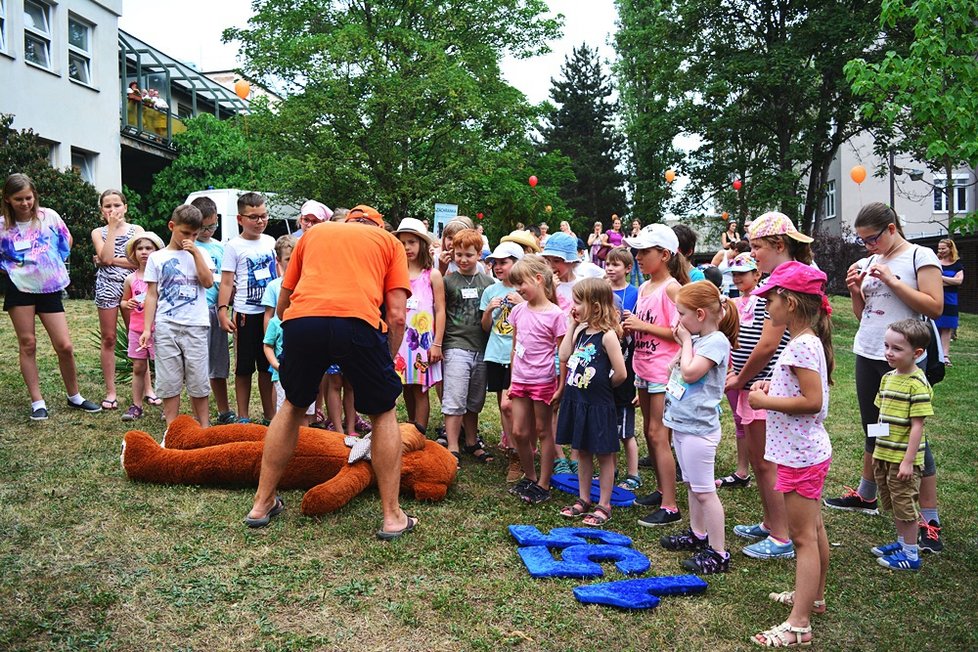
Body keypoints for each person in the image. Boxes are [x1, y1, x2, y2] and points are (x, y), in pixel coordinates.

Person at [244, 205, 414, 538]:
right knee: (383, 412)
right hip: (360, 324)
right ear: (379, 225)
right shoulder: (387, 242)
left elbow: (284, 302)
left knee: (293, 405)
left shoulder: (315, 233)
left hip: (305, 321)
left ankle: (261, 503)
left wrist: (295, 330)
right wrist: (387, 357)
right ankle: (393, 517)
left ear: (347, 221)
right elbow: (396, 316)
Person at [824, 203, 944, 554]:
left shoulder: (920, 256)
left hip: (905, 360)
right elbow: (865, 315)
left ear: (892, 228)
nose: (867, 246)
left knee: (910, 435)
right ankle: (867, 494)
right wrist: (858, 293)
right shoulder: (868, 261)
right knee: (874, 426)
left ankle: (929, 520)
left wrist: (892, 280)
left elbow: (933, 306)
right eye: (862, 241)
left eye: (872, 238)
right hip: (870, 350)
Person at [747, 261, 833, 648]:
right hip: (804, 452)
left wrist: (765, 399)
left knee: (802, 538)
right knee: (813, 530)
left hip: (801, 455)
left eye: (771, 298)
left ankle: (799, 624)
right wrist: (775, 385)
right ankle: (812, 598)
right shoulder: (806, 341)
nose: (767, 305)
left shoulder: (800, 344)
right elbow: (801, 390)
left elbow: (812, 401)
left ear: (791, 302)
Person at [727, 212, 807, 561]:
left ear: (778, 245)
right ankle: (771, 521)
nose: (753, 253)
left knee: (766, 462)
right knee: (761, 461)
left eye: (757, 247)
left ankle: (780, 536)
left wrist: (741, 379)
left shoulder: (784, 282)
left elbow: (767, 345)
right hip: (758, 384)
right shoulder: (779, 277)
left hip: (767, 386)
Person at [0, 173, 101, 419]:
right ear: (8, 200)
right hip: (19, 288)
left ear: (35, 196)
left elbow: (67, 241)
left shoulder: (49, 216)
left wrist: (50, 262)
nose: (25, 203)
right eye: (19, 199)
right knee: (28, 344)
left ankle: (74, 396)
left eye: (28, 198)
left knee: (64, 346)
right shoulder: (2, 225)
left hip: (49, 287)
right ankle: (37, 402)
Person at [659, 281, 739, 574]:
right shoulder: (699, 340)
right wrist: (684, 346)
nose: (679, 320)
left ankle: (718, 552)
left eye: (682, 314)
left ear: (701, 314)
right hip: (682, 424)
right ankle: (697, 534)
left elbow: (691, 373)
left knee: (705, 490)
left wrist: (685, 343)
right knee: (692, 485)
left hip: (699, 429)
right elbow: (674, 369)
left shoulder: (716, 341)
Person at [622, 224, 688, 527]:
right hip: (643, 369)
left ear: (664, 254)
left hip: (663, 372)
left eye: (644, 251)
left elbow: (681, 333)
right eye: (637, 251)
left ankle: (671, 505)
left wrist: (642, 326)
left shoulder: (672, 288)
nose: (638, 256)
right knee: (650, 432)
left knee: (660, 435)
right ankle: (662, 489)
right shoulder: (646, 286)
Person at [556, 278, 627, 525]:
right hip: (577, 401)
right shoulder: (579, 331)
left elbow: (621, 373)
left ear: (595, 306)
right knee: (582, 452)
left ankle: (604, 504)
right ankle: (583, 498)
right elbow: (564, 356)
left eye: (578, 301)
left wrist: (604, 386)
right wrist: (570, 325)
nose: (573, 306)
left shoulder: (608, 336)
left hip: (598, 404)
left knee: (605, 455)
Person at [139, 204, 215, 426]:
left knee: (198, 377)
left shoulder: (202, 254)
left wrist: (196, 253)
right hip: (166, 325)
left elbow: (208, 282)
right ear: (172, 227)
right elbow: (152, 295)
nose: (189, 238)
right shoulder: (157, 257)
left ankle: (204, 425)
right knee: (169, 378)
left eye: (194, 234)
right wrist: (146, 328)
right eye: (185, 233)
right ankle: (172, 426)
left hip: (196, 325)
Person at [869, 319, 934, 571]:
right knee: (895, 501)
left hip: (902, 460)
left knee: (905, 505)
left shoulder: (917, 384)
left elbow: (918, 426)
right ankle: (901, 542)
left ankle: (911, 554)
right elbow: (882, 415)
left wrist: (908, 461)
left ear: (916, 353)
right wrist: (878, 447)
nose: (888, 352)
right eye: (886, 346)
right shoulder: (887, 378)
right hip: (885, 454)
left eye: (896, 349)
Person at [507, 255, 567, 504]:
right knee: (520, 431)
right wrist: (512, 379)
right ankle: (530, 476)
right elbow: (514, 346)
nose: (519, 289)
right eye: (516, 284)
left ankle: (544, 482)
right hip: (521, 380)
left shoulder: (555, 314)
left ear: (539, 279)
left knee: (543, 431)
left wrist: (561, 385)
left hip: (543, 381)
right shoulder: (519, 311)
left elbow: (563, 354)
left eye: (522, 283)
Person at [217, 192, 278, 424]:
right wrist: (223, 311)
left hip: (269, 314)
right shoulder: (233, 246)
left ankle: (269, 413)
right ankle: (243, 415)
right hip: (245, 313)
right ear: (240, 219)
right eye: (253, 217)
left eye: (263, 216)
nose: (260, 221)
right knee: (244, 368)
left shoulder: (271, 242)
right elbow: (226, 281)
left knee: (266, 365)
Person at [440, 228, 495, 465]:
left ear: (479, 255)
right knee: (455, 398)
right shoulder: (447, 281)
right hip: (456, 345)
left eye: (468, 255)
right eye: (458, 254)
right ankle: (453, 445)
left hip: (481, 348)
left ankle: (472, 441)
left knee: (475, 400)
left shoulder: (488, 283)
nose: (463, 259)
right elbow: (439, 312)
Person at [91, 189, 146, 411]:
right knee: (109, 338)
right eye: (108, 206)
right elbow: (104, 257)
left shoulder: (137, 230)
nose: (113, 210)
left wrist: (110, 259)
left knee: (140, 336)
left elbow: (138, 261)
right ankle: (111, 392)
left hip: (134, 287)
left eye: (117, 205)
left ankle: (148, 389)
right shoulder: (98, 232)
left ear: (125, 207)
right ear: (102, 210)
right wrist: (111, 231)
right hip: (107, 288)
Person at [393, 217, 444, 431]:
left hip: (422, 342)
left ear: (422, 244)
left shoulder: (432, 275)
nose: (407, 247)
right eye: (403, 243)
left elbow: (440, 310)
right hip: (399, 340)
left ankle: (419, 433)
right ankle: (410, 428)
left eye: (412, 242)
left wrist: (437, 343)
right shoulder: (394, 275)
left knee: (420, 388)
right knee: (405, 385)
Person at [480, 241, 525, 482]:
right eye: (495, 263)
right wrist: (488, 311)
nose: (498, 267)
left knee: (514, 406)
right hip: (496, 353)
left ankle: (520, 452)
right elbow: (485, 328)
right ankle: (511, 449)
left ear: (517, 264)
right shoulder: (491, 290)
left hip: (520, 356)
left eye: (503, 262)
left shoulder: (525, 290)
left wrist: (522, 303)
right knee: (503, 405)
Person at [715, 252, 760, 489]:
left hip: (756, 375)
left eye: (743, 273)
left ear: (757, 274)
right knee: (739, 419)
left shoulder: (764, 302)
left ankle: (761, 468)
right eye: (734, 274)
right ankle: (743, 470)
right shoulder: (732, 304)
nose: (737, 278)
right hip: (732, 371)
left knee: (756, 422)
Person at [191, 196, 236, 424]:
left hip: (215, 309)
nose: (208, 231)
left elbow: (226, 281)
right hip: (194, 311)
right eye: (203, 227)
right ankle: (199, 412)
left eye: (213, 226)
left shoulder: (221, 247)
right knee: (196, 363)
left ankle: (223, 409)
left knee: (219, 363)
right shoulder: (188, 247)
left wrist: (225, 306)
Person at [261, 235, 307, 423]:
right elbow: (269, 315)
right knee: (279, 384)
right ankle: (276, 419)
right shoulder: (274, 286)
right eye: (289, 258)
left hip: (302, 345)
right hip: (280, 347)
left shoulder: (307, 283)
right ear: (278, 261)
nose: (293, 262)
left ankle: (309, 419)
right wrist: (269, 339)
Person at [119, 232, 164, 421]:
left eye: (148, 248)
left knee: (163, 367)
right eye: (140, 248)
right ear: (134, 252)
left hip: (159, 329)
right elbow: (123, 301)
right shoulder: (131, 279)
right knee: (138, 366)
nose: (144, 252)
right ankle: (136, 405)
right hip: (137, 329)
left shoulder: (162, 276)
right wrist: (126, 304)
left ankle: (168, 406)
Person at [935, 238, 963, 365]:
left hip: (951, 300)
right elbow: (932, 280)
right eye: (939, 248)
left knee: (946, 328)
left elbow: (959, 281)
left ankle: (945, 356)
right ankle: (935, 354)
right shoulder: (934, 262)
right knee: (935, 327)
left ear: (950, 248)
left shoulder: (957, 264)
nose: (941, 250)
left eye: (943, 248)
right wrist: (949, 280)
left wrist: (941, 278)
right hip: (936, 296)